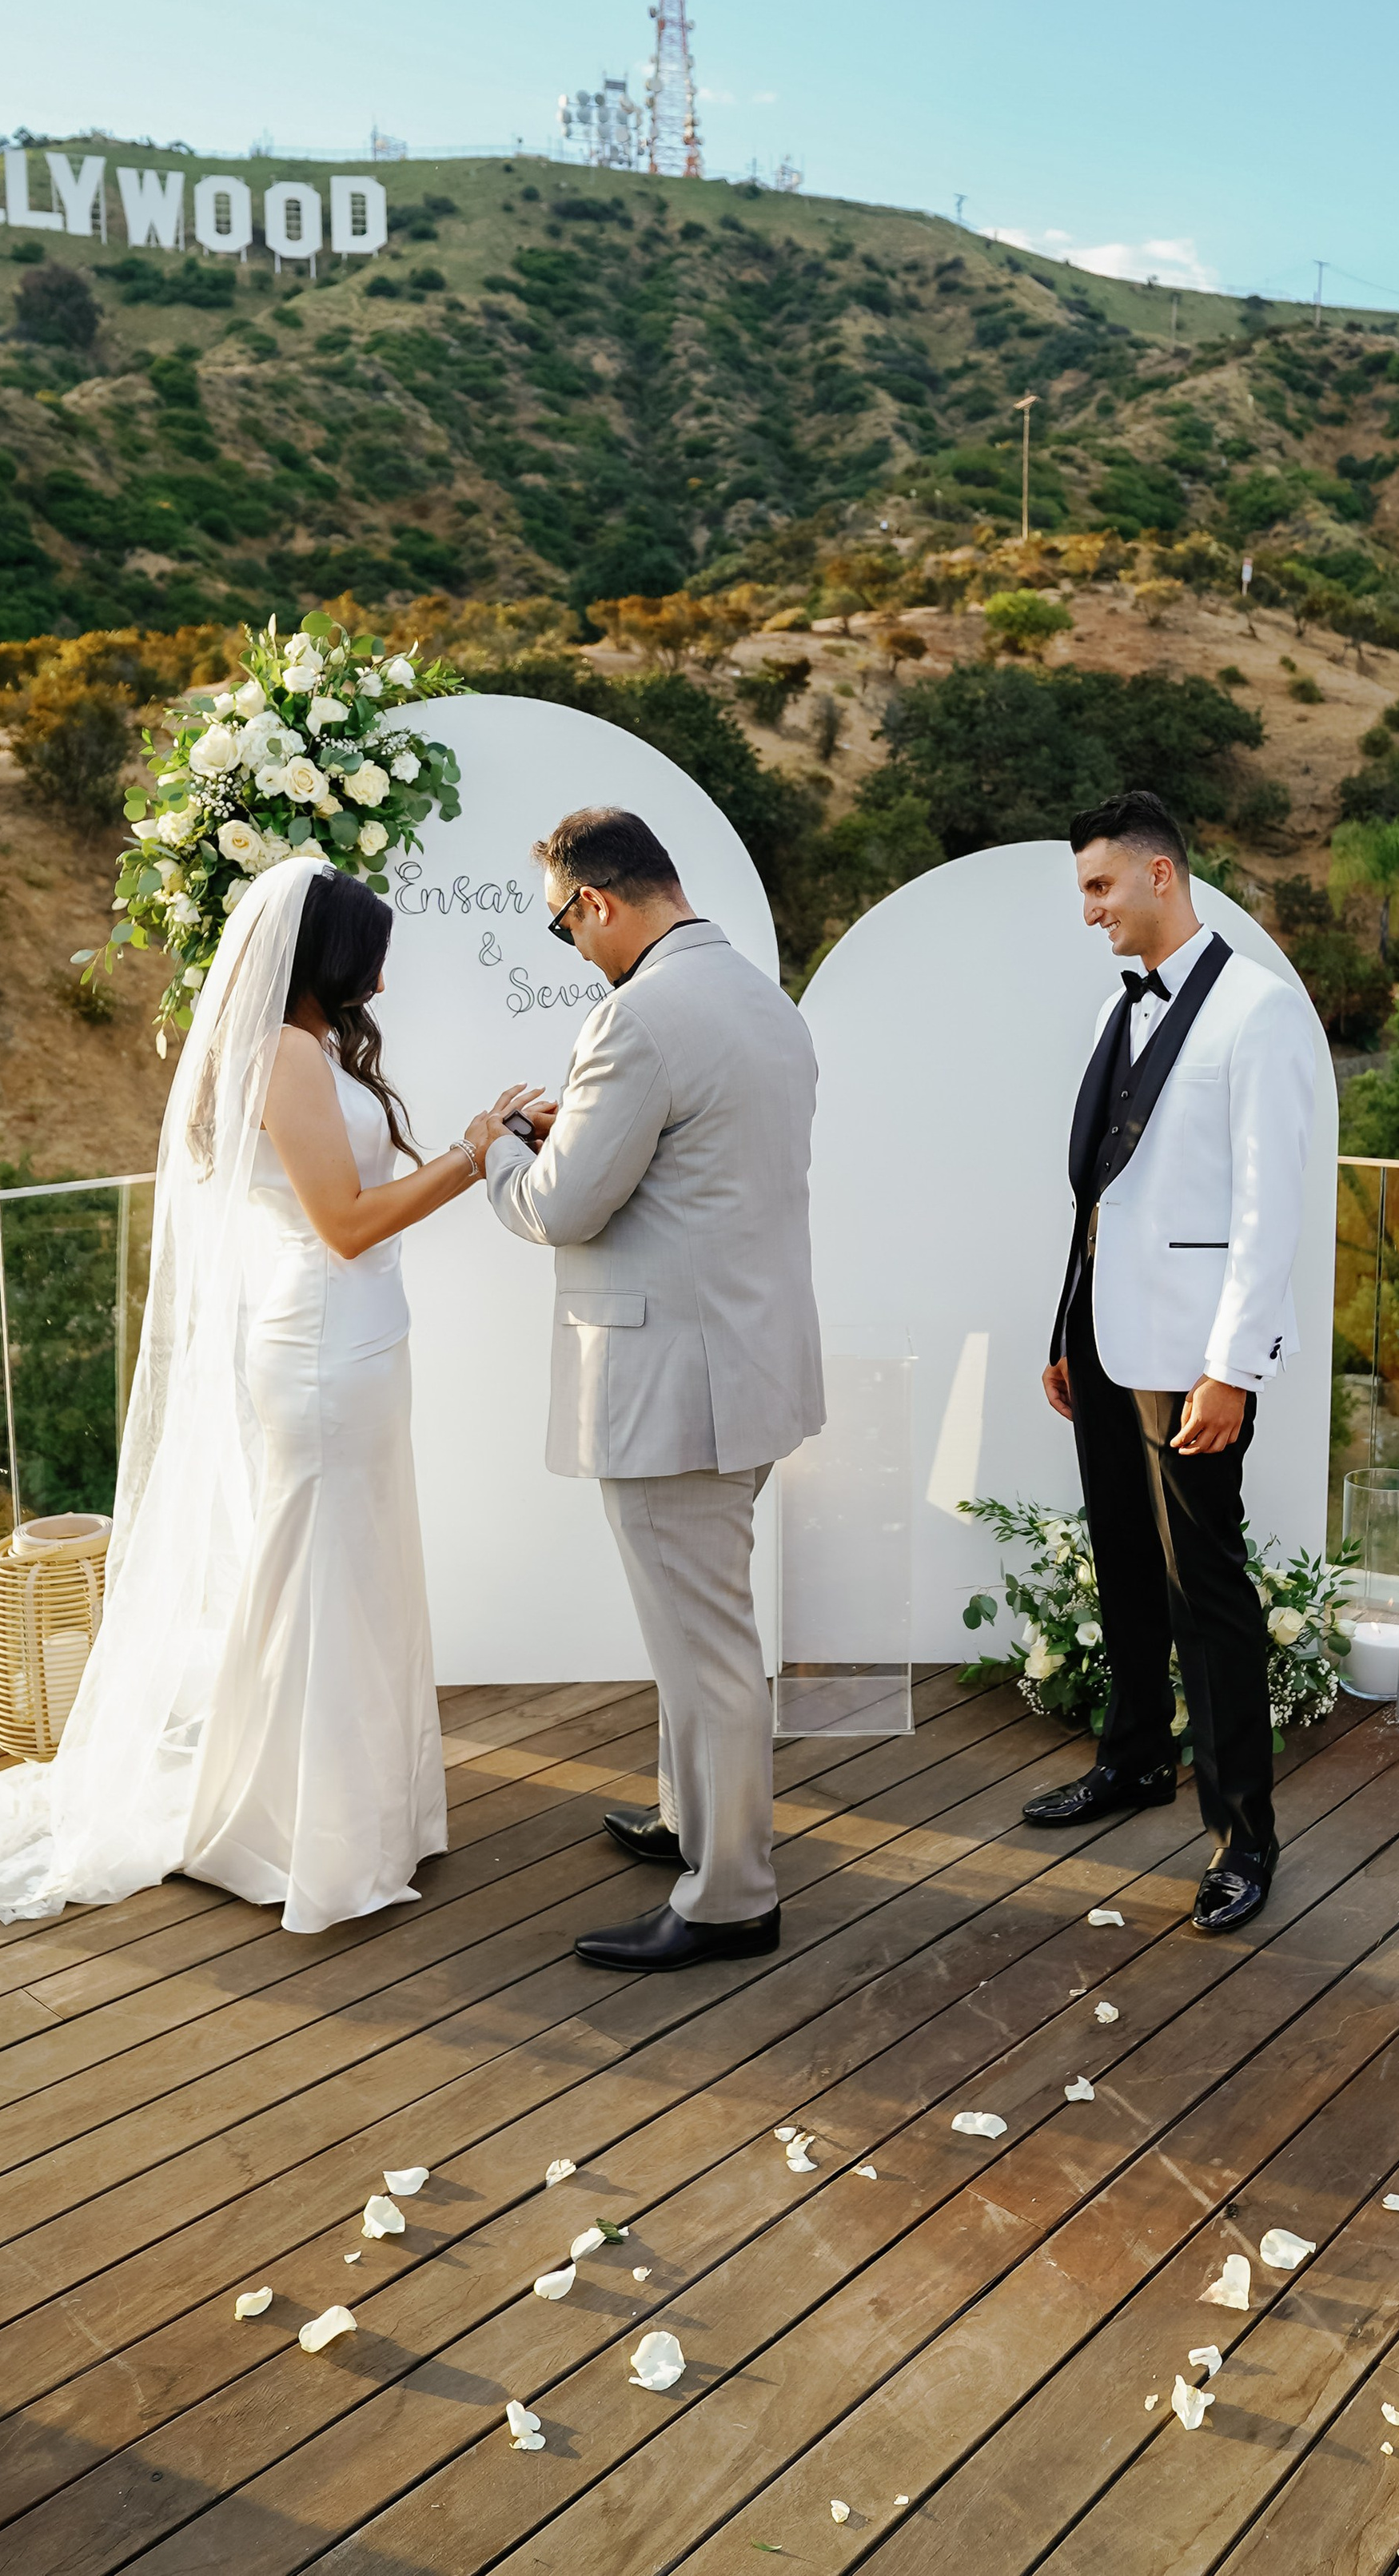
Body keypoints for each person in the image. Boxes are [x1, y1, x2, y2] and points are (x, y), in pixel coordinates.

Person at [0, 858, 536, 1936]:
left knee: (351, 1572)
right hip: (321, 1347)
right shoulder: (283, 1056)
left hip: (362, 1344)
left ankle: (359, 1815)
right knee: (319, 1578)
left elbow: (368, 1183)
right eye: (370, 957)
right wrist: (476, 1157)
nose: (381, 979)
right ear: (326, 956)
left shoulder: (321, 1045)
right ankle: (295, 1834)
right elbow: (344, 1223)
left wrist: (489, 1136)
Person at [485, 806, 823, 1974]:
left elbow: (562, 1208)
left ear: (598, 903)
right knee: (702, 1628)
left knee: (708, 1646)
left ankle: (732, 1894)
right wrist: (572, 1127)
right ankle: (691, 1820)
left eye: (562, 924)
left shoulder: (637, 1021)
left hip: (678, 1385)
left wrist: (500, 1148)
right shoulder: (762, 1001)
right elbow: (700, 1171)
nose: (570, 949)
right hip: (751, 1366)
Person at [1022, 789, 1316, 1937]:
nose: (1089, 911)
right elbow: (1101, 1188)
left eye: (1100, 887)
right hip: (1104, 1337)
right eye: (1083, 891)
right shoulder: (1125, 1009)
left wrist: (1232, 1369)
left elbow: (1269, 1212)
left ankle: (1246, 1835)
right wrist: (1065, 1330)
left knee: (1210, 1589)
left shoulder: (1259, 1012)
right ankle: (1134, 1759)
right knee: (1123, 1563)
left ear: (1160, 876)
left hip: (1193, 1353)